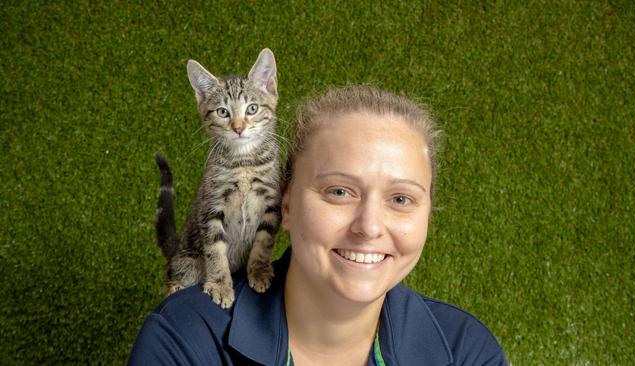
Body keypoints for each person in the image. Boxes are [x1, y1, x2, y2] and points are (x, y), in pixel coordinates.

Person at [128, 85, 508, 365]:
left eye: (401, 199)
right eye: (340, 191)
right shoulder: (184, 337)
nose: (370, 226)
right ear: (285, 204)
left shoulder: (467, 350)